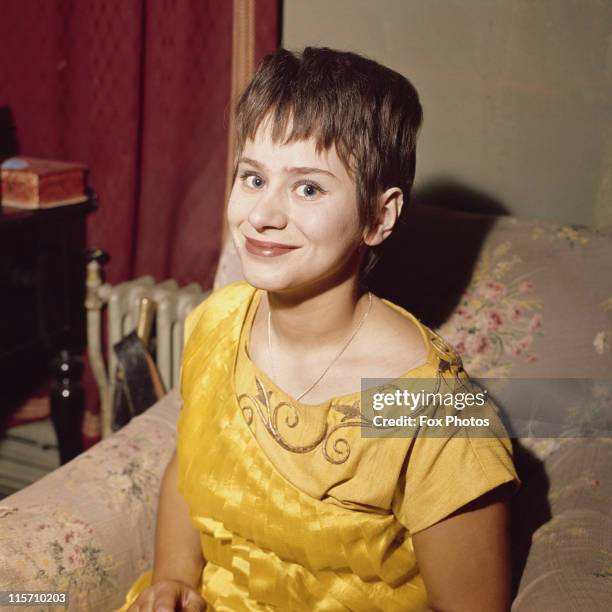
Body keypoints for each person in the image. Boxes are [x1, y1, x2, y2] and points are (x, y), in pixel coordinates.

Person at [119, 46, 520, 612]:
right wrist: (176, 578)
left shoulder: (435, 408)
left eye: (307, 188)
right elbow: (190, 464)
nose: (263, 214)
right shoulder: (218, 322)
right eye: (253, 177)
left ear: (379, 218)